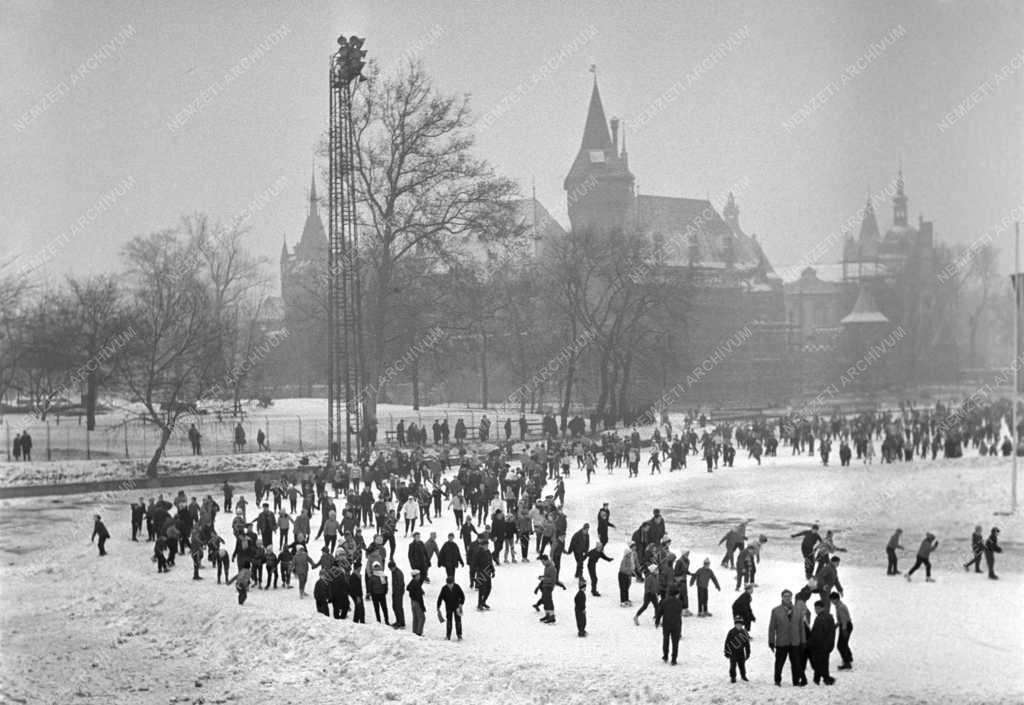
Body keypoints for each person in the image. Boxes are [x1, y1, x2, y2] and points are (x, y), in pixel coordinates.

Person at [768, 589, 806, 687]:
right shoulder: (776, 611)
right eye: (785, 596)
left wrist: (803, 641)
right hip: (782, 641)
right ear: (782, 597)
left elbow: (801, 627)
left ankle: (796, 681)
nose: (787, 598)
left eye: (789, 596)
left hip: (795, 642)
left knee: (796, 663)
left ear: (791, 597)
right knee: (779, 663)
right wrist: (771, 641)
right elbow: (772, 627)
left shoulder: (798, 610)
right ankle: (777, 680)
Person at [807, 599, 836, 685]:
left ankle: (826, 678)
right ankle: (817, 678)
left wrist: (810, 643)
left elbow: (817, 634)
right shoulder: (829, 616)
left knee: (818, 662)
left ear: (818, 608)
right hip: (828, 644)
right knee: (824, 662)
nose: (815, 611)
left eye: (816, 608)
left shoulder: (820, 618)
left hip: (820, 645)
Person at [437, 574, 465, 641]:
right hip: (448, 607)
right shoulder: (444, 588)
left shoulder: (457, 587)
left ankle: (459, 635)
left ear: (453, 582)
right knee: (449, 621)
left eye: (451, 584)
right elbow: (440, 598)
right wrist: (438, 607)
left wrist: (461, 603)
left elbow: (463, 596)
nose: (450, 585)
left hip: (457, 607)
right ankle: (448, 635)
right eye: (448, 584)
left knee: (458, 621)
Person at [660, 588, 683, 665]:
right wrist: (680, 630)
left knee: (665, 640)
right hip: (676, 625)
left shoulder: (664, 601)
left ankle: (665, 656)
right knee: (675, 643)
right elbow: (679, 616)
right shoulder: (679, 602)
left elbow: (660, 612)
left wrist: (657, 621)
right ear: (676, 594)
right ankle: (674, 659)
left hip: (666, 624)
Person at [724, 616, 751, 682]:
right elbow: (727, 642)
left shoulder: (744, 632)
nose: (739, 626)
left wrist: (748, 652)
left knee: (742, 665)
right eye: (737, 624)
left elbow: (747, 644)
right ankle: (733, 677)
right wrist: (727, 652)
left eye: (740, 624)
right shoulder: (731, 632)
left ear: (742, 625)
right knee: (733, 665)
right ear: (735, 624)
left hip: (741, 652)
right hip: (733, 653)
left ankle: (743, 675)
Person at [832, 592, 853, 670]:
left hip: (846, 626)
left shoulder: (840, 607)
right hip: (846, 625)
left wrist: (844, 629)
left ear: (836, 599)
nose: (832, 602)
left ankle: (847, 662)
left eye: (832, 600)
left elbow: (844, 619)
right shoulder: (839, 606)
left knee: (841, 645)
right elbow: (841, 619)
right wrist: (836, 625)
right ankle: (849, 657)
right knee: (844, 643)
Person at [408, 569, 426, 635]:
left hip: (412, 601)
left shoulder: (412, 582)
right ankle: (419, 633)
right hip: (417, 602)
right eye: (419, 575)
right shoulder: (416, 584)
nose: (420, 576)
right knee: (422, 618)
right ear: (416, 576)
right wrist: (423, 607)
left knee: (415, 617)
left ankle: (414, 632)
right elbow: (419, 597)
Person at [389, 560, 406, 629]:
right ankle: (398, 620)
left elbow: (400, 584)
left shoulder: (398, 573)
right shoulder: (394, 572)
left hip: (398, 593)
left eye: (391, 568)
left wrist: (397, 593)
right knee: (395, 606)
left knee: (398, 607)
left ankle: (401, 622)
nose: (390, 570)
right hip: (395, 592)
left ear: (394, 566)